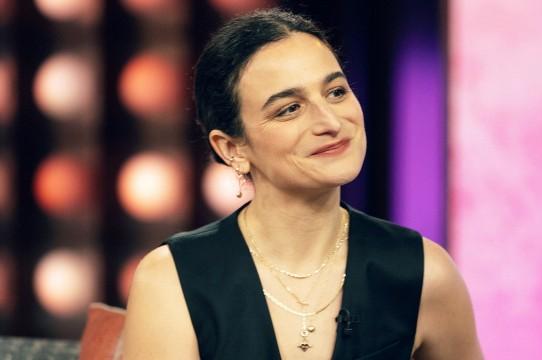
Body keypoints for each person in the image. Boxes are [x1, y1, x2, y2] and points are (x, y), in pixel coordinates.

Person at [122, 9, 482, 360]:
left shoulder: (422, 271)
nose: (330, 121)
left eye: (336, 92)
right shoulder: (173, 279)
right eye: (289, 109)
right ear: (233, 149)